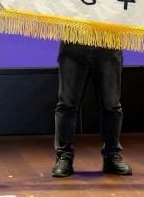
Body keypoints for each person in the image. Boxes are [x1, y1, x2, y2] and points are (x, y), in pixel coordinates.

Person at [52, 42, 132, 177]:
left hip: (107, 43)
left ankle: (111, 156)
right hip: (74, 42)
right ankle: (64, 157)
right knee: (67, 104)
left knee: (111, 105)